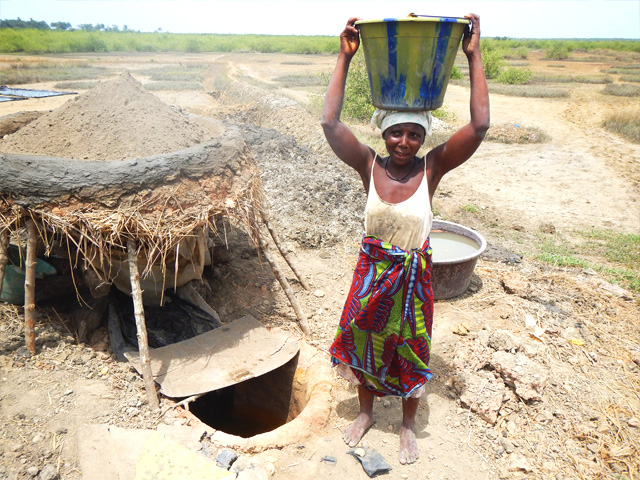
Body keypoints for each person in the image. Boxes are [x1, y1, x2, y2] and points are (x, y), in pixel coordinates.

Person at [321, 14, 489, 465]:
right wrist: (345, 56)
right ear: (383, 132)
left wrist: (473, 56)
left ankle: (409, 424)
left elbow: (478, 127)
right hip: (372, 274)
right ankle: (366, 412)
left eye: (415, 133)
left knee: (411, 348)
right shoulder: (368, 166)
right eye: (396, 131)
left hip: (413, 278)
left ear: (423, 138)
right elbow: (330, 123)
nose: (405, 141)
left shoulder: (430, 169)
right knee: (364, 340)